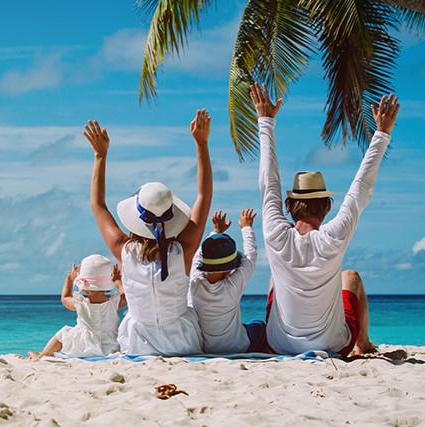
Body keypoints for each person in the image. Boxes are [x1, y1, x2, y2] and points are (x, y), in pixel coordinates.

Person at [250, 82, 400, 358]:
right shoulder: (333, 236)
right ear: (327, 206)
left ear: (289, 206)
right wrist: (381, 134)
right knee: (350, 277)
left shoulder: (274, 232)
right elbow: (360, 190)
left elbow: (268, 182)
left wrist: (266, 121)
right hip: (333, 345)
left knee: (275, 278)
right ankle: (363, 344)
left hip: (278, 345)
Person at [83, 109, 212, 356]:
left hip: (137, 344)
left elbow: (97, 205)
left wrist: (100, 156)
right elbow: (204, 196)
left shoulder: (124, 249)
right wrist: (201, 144)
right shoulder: (183, 250)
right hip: (182, 342)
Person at [189, 209, 266, 353]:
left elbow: (198, 256)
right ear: (230, 268)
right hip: (237, 347)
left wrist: (216, 232)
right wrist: (247, 227)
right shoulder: (232, 286)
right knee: (259, 325)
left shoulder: (195, 283)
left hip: (205, 348)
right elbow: (250, 257)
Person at [29, 254, 126, 359]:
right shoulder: (114, 302)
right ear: (107, 287)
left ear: (83, 287)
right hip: (111, 344)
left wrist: (69, 280)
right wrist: (117, 281)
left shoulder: (80, 303)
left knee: (63, 333)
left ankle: (43, 354)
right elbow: (126, 296)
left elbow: (65, 298)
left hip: (83, 345)